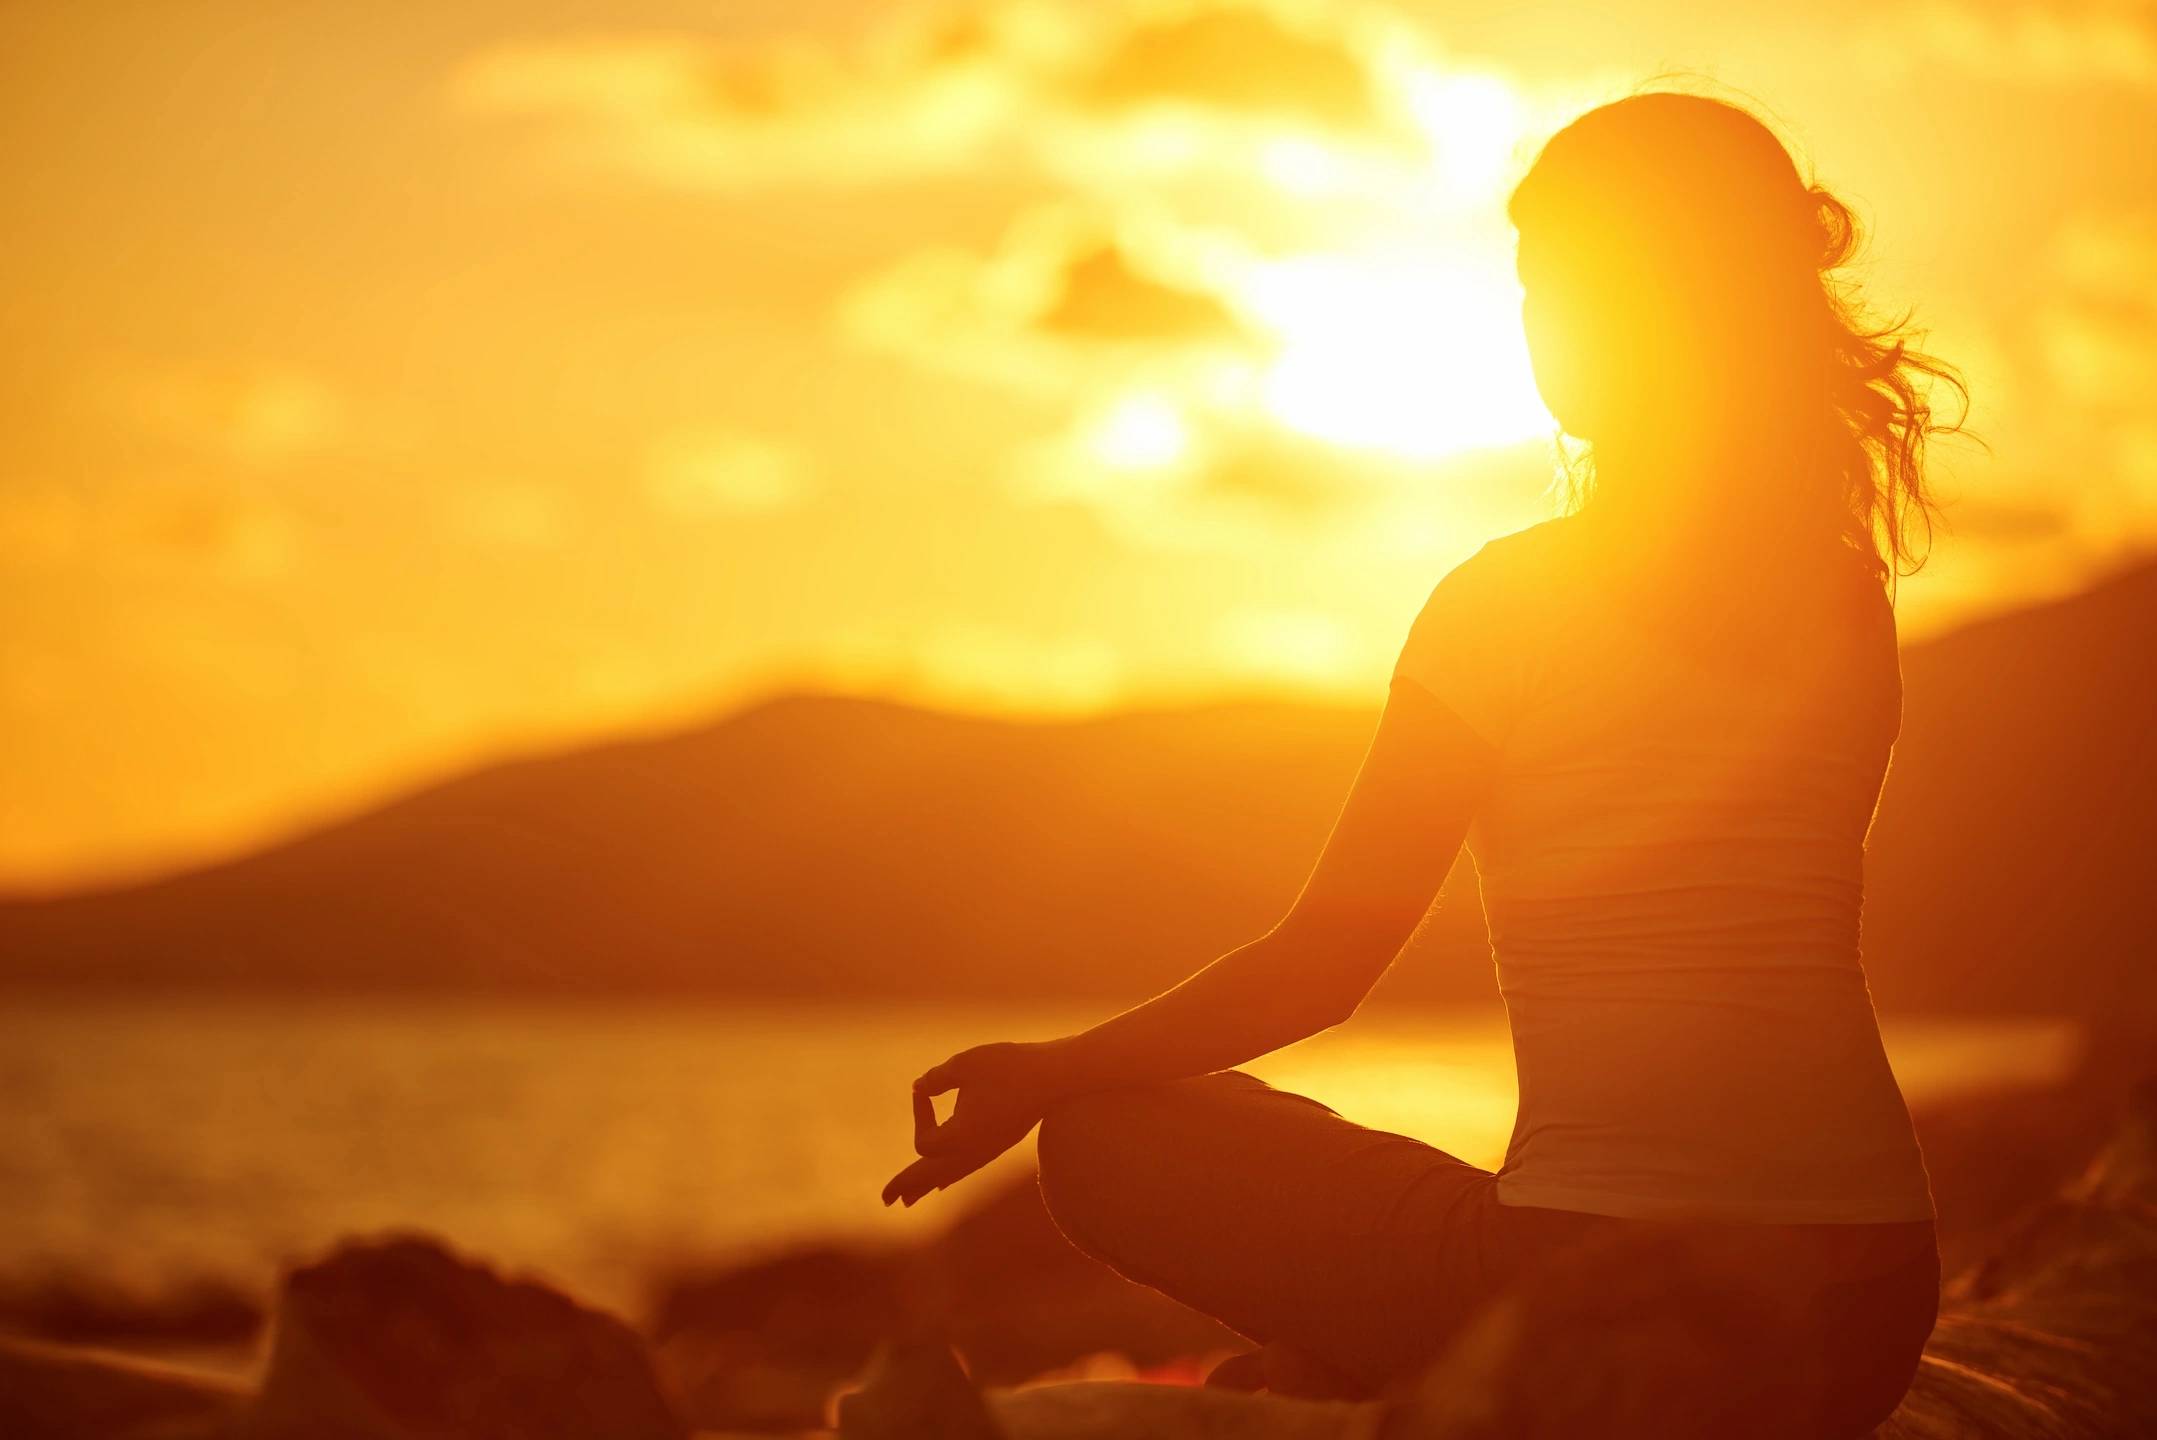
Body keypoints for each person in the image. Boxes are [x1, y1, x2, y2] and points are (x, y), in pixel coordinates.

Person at [882, 92, 1963, 1437]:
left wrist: (1049, 1073)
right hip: (1865, 1302)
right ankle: (1373, 1362)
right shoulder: (1841, 594)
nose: (1533, 316)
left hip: (1601, 1292)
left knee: (1111, 1142)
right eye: (1524, 283)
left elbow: (1323, 965)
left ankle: (1375, 1369)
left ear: (1659, 300)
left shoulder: (1504, 604)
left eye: (1560, 277)